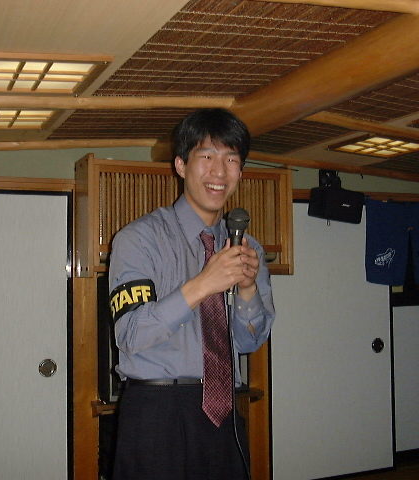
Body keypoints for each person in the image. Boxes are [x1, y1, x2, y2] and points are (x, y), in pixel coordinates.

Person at [108, 108, 275, 480]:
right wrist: (204, 283)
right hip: (157, 410)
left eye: (231, 160)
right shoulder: (139, 239)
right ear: (181, 165)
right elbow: (130, 334)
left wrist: (247, 289)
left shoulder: (248, 248)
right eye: (207, 157)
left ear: (241, 171)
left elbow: (250, 342)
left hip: (224, 409)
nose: (220, 172)